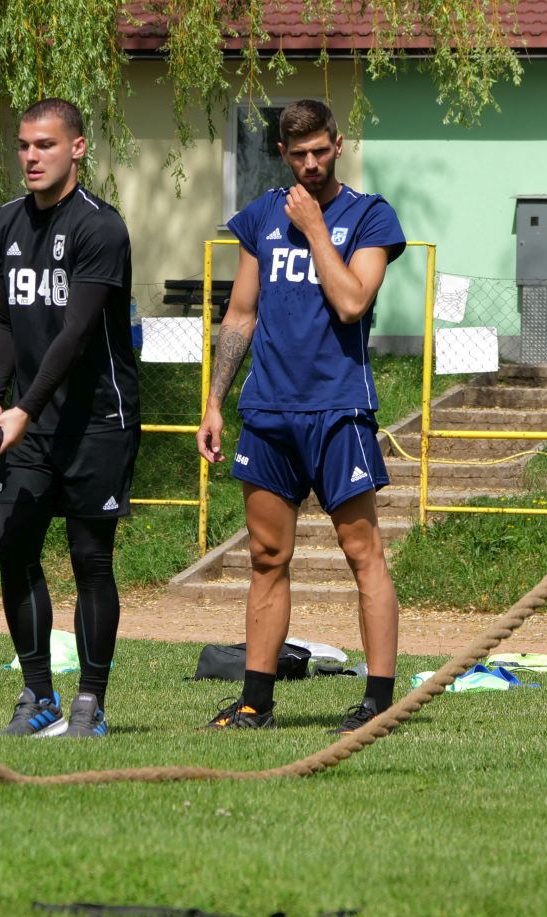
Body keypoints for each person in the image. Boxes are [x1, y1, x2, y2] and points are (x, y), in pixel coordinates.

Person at [196, 99, 406, 733]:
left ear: (338, 145)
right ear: (283, 155)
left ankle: (376, 700)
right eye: (298, 155)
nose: (311, 163)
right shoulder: (261, 216)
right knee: (266, 555)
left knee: (361, 549)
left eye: (320, 151)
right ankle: (256, 703)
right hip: (268, 413)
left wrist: (315, 228)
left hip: (339, 409)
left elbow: (351, 302)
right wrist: (214, 400)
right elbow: (240, 315)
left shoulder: (369, 215)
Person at [0, 98, 139, 739]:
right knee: (13, 545)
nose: (31, 157)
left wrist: (23, 406)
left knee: (89, 558)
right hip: (26, 421)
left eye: (44, 145)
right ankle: (38, 694)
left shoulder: (102, 228)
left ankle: (90, 704)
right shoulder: (5, 223)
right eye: (23, 145)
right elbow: (6, 320)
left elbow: (74, 335)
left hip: (97, 420)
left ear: (77, 148)